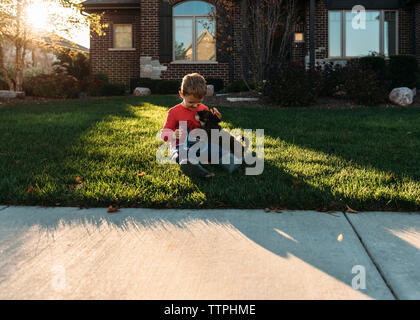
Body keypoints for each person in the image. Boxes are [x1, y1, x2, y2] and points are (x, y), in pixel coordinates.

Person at [160, 73, 242, 177]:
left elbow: (209, 130)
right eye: (191, 102)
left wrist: (214, 119)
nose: (195, 106)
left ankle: (233, 163)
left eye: (198, 103)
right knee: (182, 153)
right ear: (181, 95)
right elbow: (163, 134)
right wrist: (172, 134)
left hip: (200, 144)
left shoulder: (203, 109)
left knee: (215, 149)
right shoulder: (174, 112)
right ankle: (191, 166)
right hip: (181, 145)